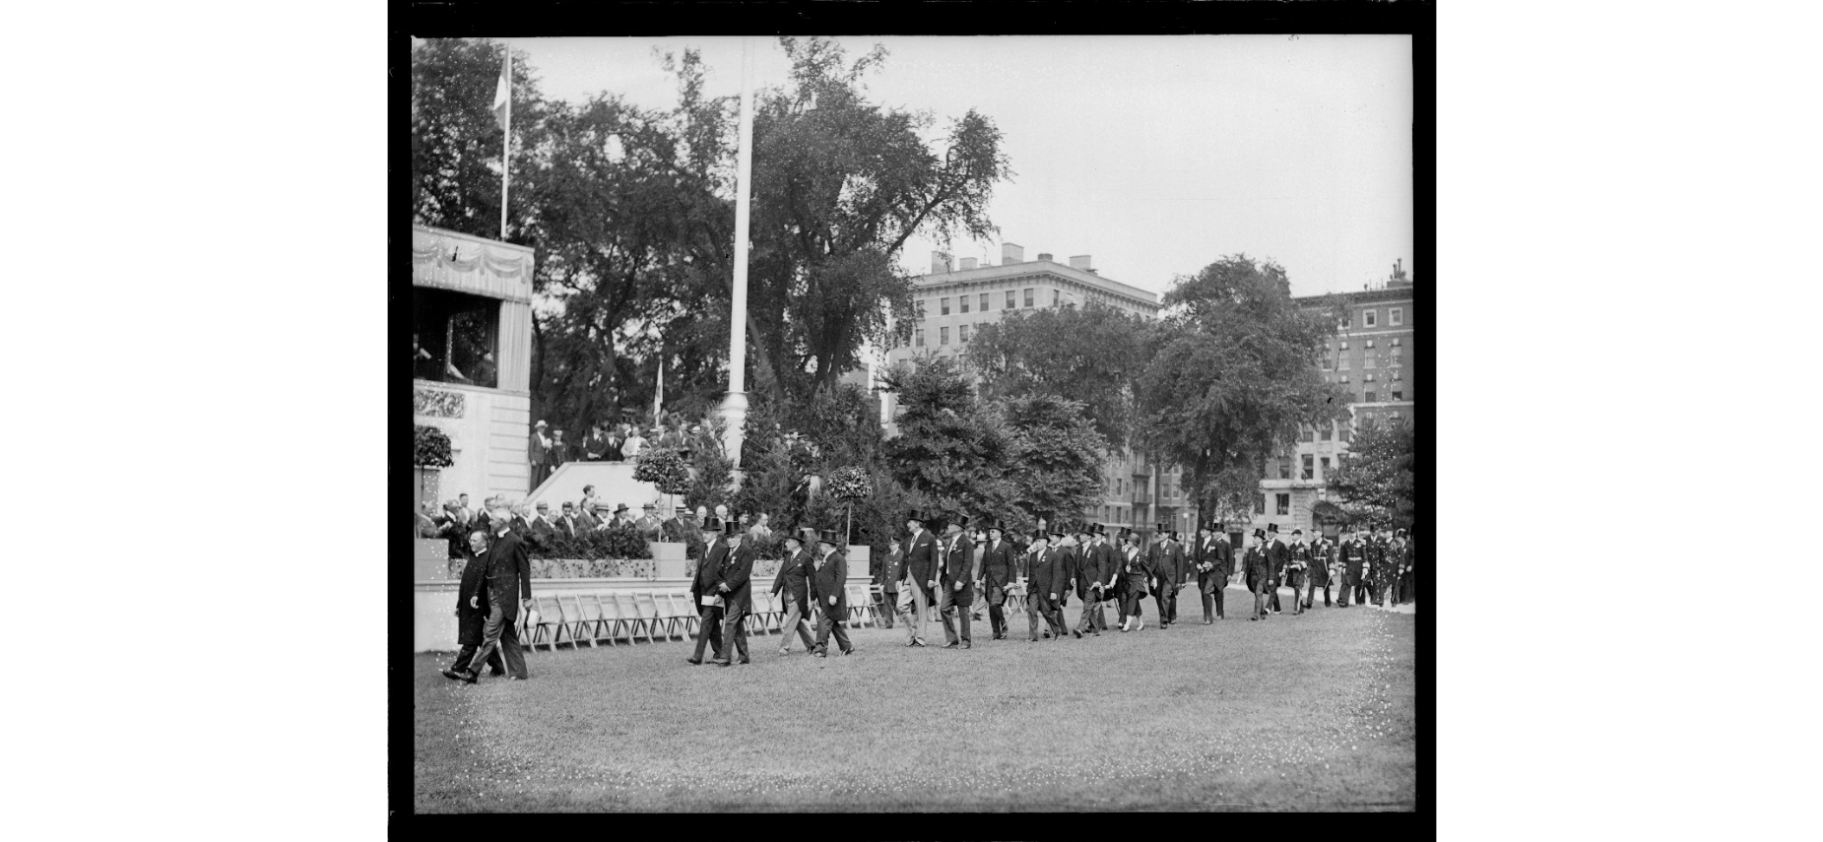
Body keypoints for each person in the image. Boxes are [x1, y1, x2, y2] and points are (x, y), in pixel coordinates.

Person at [454, 505, 533, 682]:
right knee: (508, 635)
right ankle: (518, 672)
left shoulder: (515, 541)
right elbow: (485, 569)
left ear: (502, 522)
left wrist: (527, 597)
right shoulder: (494, 539)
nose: (489, 522)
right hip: (491, 595)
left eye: (492, 520)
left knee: (489, 633)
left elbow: (524, 571)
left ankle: (472, 672)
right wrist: (476, 593)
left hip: (504, 598)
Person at [443, 530, 505, 681]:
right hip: (467, 605)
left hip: (480, 605)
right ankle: (498, 667)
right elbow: (464, 583)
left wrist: (479, 600)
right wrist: (459, 604)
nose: (471, 543)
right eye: (471, 540)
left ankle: (457, 669)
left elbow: (486, 584)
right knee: (478, 638)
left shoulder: (488, 559)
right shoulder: (472, 557)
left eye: (475, 541)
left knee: (471, 638)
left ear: (484, 543)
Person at [711, 518, 756, 667]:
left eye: (733, 537)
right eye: (728, 537)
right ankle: (744, 656)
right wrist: (720, 591)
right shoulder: (726, 553)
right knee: (737, 626)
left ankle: (725, 657)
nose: (730, 540)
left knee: (730, 623)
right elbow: (719, 574)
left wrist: (727, 586)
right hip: (729, 595)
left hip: (740, 595)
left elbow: (742, 574)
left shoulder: (746, 552)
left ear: (740, 537)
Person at [768, 528, 819, 655]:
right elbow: (781, 575)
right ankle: (812, 645)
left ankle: (784, 647)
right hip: (786, 594)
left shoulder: (806, 558)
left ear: (796, 543)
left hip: (798, 595)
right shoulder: (788, 556)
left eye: (788, 542)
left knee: (790, 620)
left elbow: (813, 580)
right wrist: (773, 591)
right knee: (797, 621)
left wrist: (813, 598)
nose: (786, 544)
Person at [686, 518, 728, 666]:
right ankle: (720, 653)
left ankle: (698, 656)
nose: (704, 534)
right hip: (702, 592)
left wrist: (719, 593)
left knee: (706, 623)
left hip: (713, 592)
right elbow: (699, 571)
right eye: (704, 531)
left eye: (708, 532)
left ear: (715, 534)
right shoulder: (703, 547)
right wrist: (692, 590)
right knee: (713, 624)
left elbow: (724, 573)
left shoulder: (722, 549)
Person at [808, 529, 856, 657]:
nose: (820, 548)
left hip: (832, 599)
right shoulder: (827, 558)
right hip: (825, 599)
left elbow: (841, 578)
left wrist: (834, 594)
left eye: (821, 545)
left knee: (823, 622)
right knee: (833, 623)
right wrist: (814, 597)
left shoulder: (838, 559)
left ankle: (820, 649)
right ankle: (847, 646)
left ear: (827, 546)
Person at [899, 511, 938, 647]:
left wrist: (932, 578)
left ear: (917, 523)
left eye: (910, 522)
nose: (908, 524)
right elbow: (904, 559)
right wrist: (900, 578)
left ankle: (920, 638)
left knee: (921, 610)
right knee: (901, 606)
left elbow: (934, 559)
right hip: (907, 578)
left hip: (922, 578)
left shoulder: (929, 538)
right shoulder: (908, 540)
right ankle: (912, 631)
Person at [937, 514, 975, 649]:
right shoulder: (950, 542)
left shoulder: (967, 544)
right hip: (948, 580)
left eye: (951, 524)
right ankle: (952, 638)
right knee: (943, 608)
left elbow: (968, 564)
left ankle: (966, 640)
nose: (949, 526)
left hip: (960, 582)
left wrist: (961, 580)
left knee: (963, 611)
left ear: (958, 528)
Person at [1026, 526, 1068, 641]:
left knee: (1046, 612)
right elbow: (1031, 574)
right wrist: (1028, 589)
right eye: (1036, 540)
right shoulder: (1033, 556)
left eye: (1039, 540)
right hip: (1034, 589)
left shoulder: (1052, 555)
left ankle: (1057, 630)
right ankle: (1032, 636)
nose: (1037, 543)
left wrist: (1054, 591)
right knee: (1032, 611)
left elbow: (1057, 575)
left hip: (1046, 589)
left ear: (1045, 541)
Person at [977, 521, 1016, 640]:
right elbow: (983, 564)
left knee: (995, 604)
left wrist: (1011, 582)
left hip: (1002, 582)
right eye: (990, 531)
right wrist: (979, 578)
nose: (991, 533)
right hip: (989, 581)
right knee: (991, 607)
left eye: (993, 531)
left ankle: (1004, 625)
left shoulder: (1006, 546)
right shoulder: (987, 546)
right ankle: (996, 632)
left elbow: (1011, 565)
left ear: (999, 533)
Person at [1071, 524, 1107, 639]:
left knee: (1087, 606)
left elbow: (1102, 567)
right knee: (1089, 607)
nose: (1080, 537)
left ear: (1088, 536)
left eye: (1082, 535)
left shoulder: (1096, 549)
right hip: (1081, 583)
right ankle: (1096, 630)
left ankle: (1080, 628)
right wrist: (1073, 577)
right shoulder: (1079, 549)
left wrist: (1099, 582)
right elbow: (1075, 566)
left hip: (1092, 584)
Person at [1148, 525, 1186, 629]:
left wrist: (1179, 581)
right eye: (1158, 533)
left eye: (1162, 533)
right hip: (1156, 578)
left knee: (1165, 596)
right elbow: (1148, 562)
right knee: (1158, 598)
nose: (1159, 535)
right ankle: (1164, 617)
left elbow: (1180, 565)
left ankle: (1163, 620)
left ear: (1167, 534)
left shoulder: (1175, 548)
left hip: (1169, 578)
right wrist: (1146, 575)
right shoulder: (1153, 547)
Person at [1194, 521, 1232, 623]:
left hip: (1213, 574)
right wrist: (1197, 564)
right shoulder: (1199, 543)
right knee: (1203, 594)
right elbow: (1195, 558)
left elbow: (1221, 559)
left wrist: (1211, 565)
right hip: (1202, 574)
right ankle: (1206, 615)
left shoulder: (1216, 544)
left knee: (1207, 592)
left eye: (1203, 530)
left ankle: (1209, 618)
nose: (1201, 532)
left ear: (1208, 532)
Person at [1119, 528, 1150, 632]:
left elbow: (1146, 568)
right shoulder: (1126, 552)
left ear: (1135, 543)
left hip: (1137, 582)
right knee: (1135, 602)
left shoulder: (1140, 554)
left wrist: (1152, 578)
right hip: (1128, 582)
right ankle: (1141, 623)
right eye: (1127, 540)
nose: (1128, 542)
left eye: (1130, 541)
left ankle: (1127, 625)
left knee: (1132, 601)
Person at [875, 543, 903, 629]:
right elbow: (884, 571)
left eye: (893, 544)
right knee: (887, 606)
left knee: (901, 605)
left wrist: (902, 582)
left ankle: (907, 622)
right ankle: (888, 623)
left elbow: (903, 570)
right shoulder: (887, 556)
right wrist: (882, 583)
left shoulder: (902, 555)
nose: (891, 546)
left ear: (898, 544)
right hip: (888, 584)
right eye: (890, 544)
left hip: (897, 584)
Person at [1246, 529, 1272, 621]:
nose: (1254, 540)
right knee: (1258, 594)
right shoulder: (1251, 550)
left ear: (1261, 539)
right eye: (1254, 538)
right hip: (1253, 576)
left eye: (1256, 538)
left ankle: (1256, 615)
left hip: (1262, 576)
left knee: (1258, 593)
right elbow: (1246, 563)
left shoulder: (1266, 550)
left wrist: (1271, 578)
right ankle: (1261, 612)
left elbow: (1270, 565)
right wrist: (1243, 571)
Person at [1340, 527, 1367, 607]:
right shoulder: (1345, 543)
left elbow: (1365, 556)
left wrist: (1365, 567)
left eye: (1353, 532)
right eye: (1350, 532)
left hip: (1359, 565)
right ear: (1348, 533)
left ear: (1356, 533)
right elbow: (1343, 556)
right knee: (1346, 582)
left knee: (1359, 583)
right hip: (1349, 565)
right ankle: (1344, 602)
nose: (1352, 534)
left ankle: (1360, 602)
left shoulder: (1361, 543)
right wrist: (1343, 567)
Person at [1286, 528, 1310, 615]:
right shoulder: (1290, 547)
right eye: (1292, 534)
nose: (1292, 536)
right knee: (1297, 589)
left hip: (1302, 570)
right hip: (1293, 570)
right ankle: (1301, 609)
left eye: (1294, 534)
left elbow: (1309, 559)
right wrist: (1287, 567)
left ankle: (1296, 609)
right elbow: (1287, 559)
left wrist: (1304, 563)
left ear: (1299, 536)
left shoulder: (1304, 546)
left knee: (1297, 588)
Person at [1266, 523, 1289, 613]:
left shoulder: (1280, 545)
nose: (1269, 534)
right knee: (1271, 589)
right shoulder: (1264, 544)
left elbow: (1286, 557)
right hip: (1266, 570)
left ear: (1275, 533)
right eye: (1268, 532)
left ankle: (1267, 608)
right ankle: (1278, 608)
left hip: (1277, 570)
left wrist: (1284, 568)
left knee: (1273, 588)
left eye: (1271, 532)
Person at [528, 421, 550, 489]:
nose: (543, 429)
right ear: (538, 428)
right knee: (534, 479)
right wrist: (532, 459)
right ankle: (532, 494)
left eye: (543, 428)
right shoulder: (534, 436)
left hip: (543, 460)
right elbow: (530, 448)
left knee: (541, 479)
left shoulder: (544, 437)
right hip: (536, 460)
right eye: (541, 428)